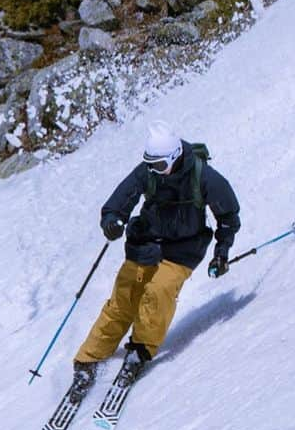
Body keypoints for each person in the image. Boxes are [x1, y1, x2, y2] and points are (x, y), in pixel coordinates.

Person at [69, 121, 241, 398]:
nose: (154, 171)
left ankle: (140, 350)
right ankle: (89, 358)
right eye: (150, 164)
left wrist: (221, 253)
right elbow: (118, 201)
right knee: (124, 298)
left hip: (184, 250)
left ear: (174, 158)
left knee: (158, 293)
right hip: (146, 245)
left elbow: (229, 218)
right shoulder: (148, 172)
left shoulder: (204, 177)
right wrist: (112, 221)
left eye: (159, 165)